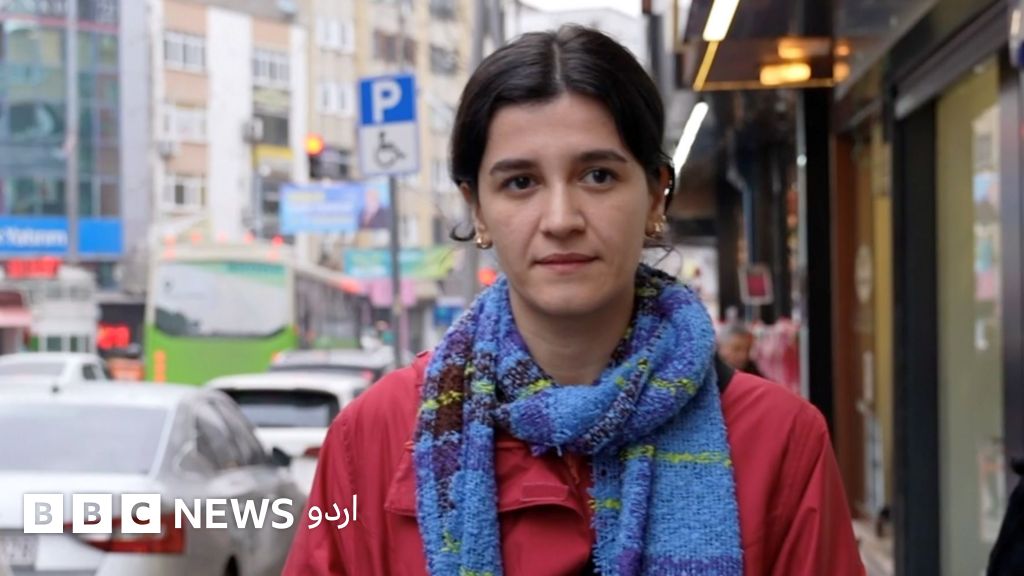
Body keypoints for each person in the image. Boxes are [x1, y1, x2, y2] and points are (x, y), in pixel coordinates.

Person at [284, 26, 864, 576]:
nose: (561, 219)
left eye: (598, 176)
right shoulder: (373, 437)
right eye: (521, 183)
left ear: (656, 195)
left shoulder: (780, 440)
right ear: (477, 208)